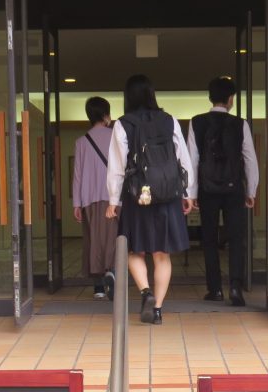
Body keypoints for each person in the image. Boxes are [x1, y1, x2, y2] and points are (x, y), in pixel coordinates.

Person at [106, 75, 196, 325]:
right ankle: (157, 310)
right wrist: (187, 192)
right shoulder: (169, 121)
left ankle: (146, 292)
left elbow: (117, 166)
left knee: (134, 250)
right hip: (167, 195)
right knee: (161, 254)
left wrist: (113, 200)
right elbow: (183, 158)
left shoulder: (123, 124)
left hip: (137, 196)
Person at [186, 76, 259, 307]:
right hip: (234, 188)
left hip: (207, 189)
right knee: (236, 238)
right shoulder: (240, 124)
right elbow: (250, 159)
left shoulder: (197, 122)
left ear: (210, 97)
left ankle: (215, 289)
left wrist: (191, 193)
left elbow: (192, 160)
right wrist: (251, 190)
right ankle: (235, 287)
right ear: (230, 99)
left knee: (209, 239)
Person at [72, 96, 117, 299]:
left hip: (89, 198)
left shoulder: (81, 142)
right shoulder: (116, 137)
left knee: (93, 240)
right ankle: (113, 275)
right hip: (115, 197)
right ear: (106, 114)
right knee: (114, 239)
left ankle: (98, 287)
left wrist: (76, 203)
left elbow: (78, 175)